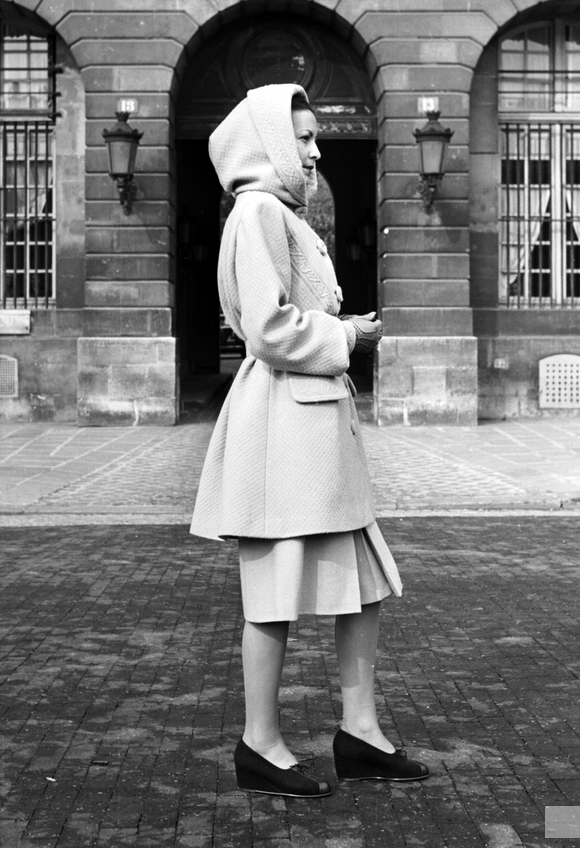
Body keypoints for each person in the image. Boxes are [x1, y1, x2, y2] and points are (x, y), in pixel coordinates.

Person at [190, 83, 429, 799]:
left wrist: (335, 329)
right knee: (273, 592)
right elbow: (266, 328)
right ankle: (259, 742)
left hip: (314, 425)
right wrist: (345, 334)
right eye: (302, 137)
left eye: (316, 135)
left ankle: (360, 730)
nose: (316, 149)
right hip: (284, 428)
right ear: (266, 143)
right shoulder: (258, 212)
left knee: (361, 586)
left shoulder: (278, 212)